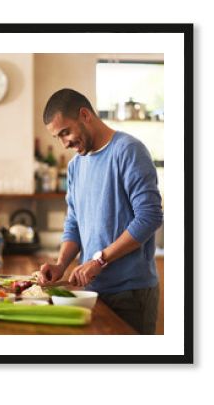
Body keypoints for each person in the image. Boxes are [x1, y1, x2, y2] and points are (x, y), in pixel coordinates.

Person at [38, 88, 163, 334]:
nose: (65, 143)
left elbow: (150, 216)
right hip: (92, 291)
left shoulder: (128, 151)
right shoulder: (75, 166)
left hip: (131, 293)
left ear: (85, 115)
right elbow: (74, 221)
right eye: (58, 138)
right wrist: (61, 264)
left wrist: (99, 259)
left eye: (66, 132)